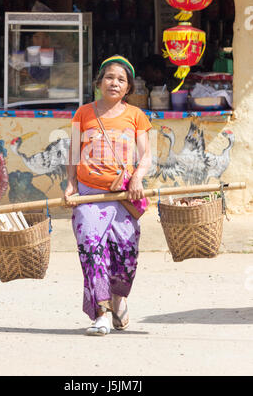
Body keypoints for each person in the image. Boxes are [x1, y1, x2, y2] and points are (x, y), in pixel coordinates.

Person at [64, 55, 152, 336]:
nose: (114, 83)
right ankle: (101, 313)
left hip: (124, 197)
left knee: (125, 255)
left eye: (121, 80)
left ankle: (118, 297)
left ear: (128, 88)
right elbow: (74, 153)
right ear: (99, 82)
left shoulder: (136, 116)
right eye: (109, 77)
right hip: (89, 195)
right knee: (91, 248)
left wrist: (137, 177)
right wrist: (70, 184)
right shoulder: (83, 113)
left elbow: (146, 155)